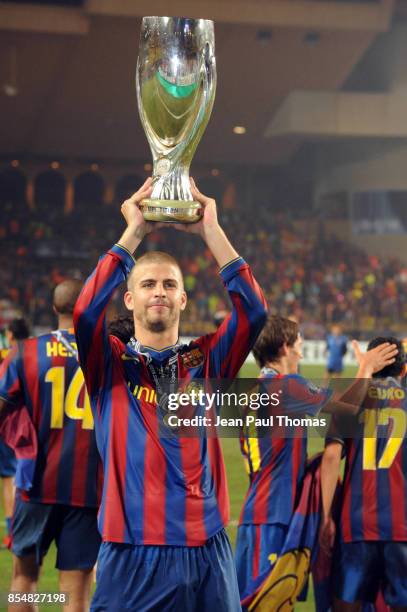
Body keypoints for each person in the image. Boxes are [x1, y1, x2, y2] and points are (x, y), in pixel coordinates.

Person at [73, 177, 268, 612]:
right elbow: (85, 312)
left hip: (207, 550)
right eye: (147, 284)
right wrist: (134, 232)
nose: (158, 291)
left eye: (167, 285)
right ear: (128, 298)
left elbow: (254, 311)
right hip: (130, 551)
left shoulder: (208, 361)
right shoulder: (109, 367)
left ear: (182, 299)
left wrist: (211, 232)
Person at [235, 316, 398, 602]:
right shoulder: (288, 386)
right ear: (285, 347)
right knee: (268, 604)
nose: (301, 348)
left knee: (252, 603)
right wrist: (365, 369)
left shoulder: (254, 390)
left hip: (256, 513)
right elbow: (346, 409)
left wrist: (309, 462)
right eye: (298, 342)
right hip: (275, 513)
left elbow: (273, 451)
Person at [0, 281, 102, 612]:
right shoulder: (105, 356)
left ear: (53, 307)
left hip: (34, 487)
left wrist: (19, 434)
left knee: (24, 582)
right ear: (86, 306)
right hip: (87, 492)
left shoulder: (25, 353)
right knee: (75, 597)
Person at [320, 336, 407, 612]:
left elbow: (332, 457)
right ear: (403, 371)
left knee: (347, 606)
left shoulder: (348, 402)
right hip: (402, 526)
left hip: (355, 524)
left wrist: (325, 517)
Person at [0, 318, 30, 547]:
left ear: (10, 335)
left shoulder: (12, 357)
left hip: (11, 428)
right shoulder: (34, 354)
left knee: (9, 478)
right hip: (31, 428)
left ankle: (13, 530)